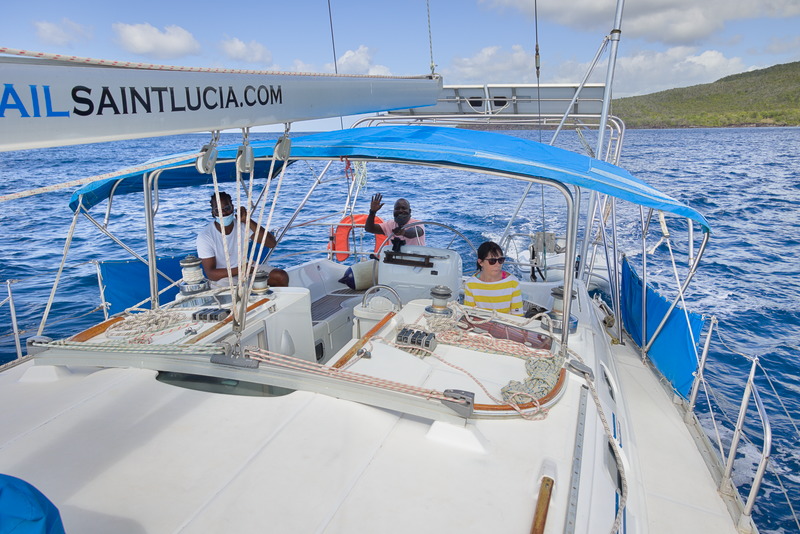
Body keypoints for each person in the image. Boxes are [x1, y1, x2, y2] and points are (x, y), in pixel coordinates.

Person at [196, 192, 276, 285]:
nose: (223, 213)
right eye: (218, 210)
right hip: (224, 277)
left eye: (227, 208)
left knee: (280, 276)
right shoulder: (205, 236)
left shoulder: (241, 225)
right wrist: (241, 269)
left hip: (247, 270)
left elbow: (271, 243)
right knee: (234, 290)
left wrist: (247, 220)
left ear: (233, 207)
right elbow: (211, 274)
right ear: (213, 213)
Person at [464, 241, 523, 316]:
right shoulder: (470, 284)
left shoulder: (513, 282)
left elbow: (517, 315)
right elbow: (469, 313)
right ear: (481, 262)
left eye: (500, 260)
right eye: (492, 261)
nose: (498, 265)